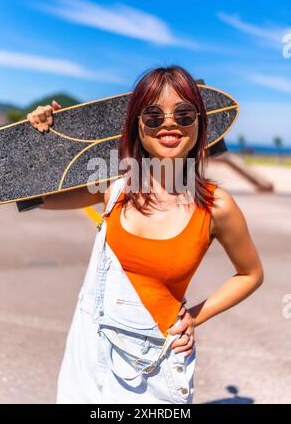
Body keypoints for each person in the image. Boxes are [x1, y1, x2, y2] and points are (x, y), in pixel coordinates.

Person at [26, 65, 264, 404]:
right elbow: (37, 198)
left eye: (183, 114)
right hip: (88, 357)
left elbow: (251, 274)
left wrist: (196, 316)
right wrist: (44, 141)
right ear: (139, 126)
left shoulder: (216, 206)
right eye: (153, 116)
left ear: (200, 124)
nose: (169, 123)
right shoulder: (114, 187)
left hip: (154, 370)